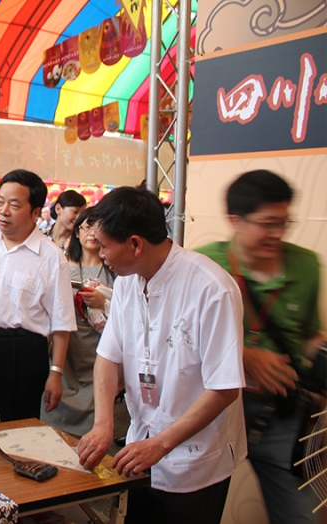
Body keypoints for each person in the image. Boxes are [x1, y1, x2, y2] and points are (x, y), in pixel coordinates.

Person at [76, 186, 246, 524]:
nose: (102, 255)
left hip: (195, 461)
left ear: (136, 244)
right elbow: (109, 356)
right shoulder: (127, 280)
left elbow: (224, 387)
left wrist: (162, 444)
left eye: (105, 246)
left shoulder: (212, 289)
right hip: (140, 448)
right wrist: (103, 424)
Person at [197, 170, 323, 524]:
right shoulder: (203, 265)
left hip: (280, 418)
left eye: (284, 223)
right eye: (268, 224)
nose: (277, 234)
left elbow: (311, 334)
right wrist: (244, 356)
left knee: (302, 516)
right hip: (214, 415)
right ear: (235, 220)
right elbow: (178, 343)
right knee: (194, 509)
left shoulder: (306, 265)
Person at [0, 169, 75, 427]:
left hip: (24, 352)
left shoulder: (51, 258)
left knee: (19, 431)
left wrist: (56, 373)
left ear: (35, 212)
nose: (3, 211)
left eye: (14, 204)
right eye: (0, 201)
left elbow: (62, 322)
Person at [41, 207, 115, 437]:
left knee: (97, 407)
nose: (91, 233)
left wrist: (103, 301)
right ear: (77, 232)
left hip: (98, 349)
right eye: (86, 226)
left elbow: (127, 314)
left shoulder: (115, 269)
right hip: (65, 348)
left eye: (97, 226)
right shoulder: (62, 264)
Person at [48, 190, 86, 255]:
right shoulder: (39, 235)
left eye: (82, 214)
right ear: (58, 209)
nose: (79, 218)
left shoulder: (81, 243)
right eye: (75, 212)